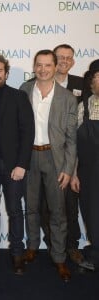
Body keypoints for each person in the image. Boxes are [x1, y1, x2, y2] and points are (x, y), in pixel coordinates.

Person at [20, 50, 77, 282]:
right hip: (29, 157)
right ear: (34, 67)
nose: (43, 69)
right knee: (31, 207)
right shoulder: (24, 90)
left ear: (55, 67)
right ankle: (32, 246)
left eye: (47, 65)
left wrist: (68, 168)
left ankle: (59, 257)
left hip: (56, 160)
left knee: (58, 212)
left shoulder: (68, 98)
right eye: (39, 65)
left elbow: (72, 139)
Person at [0, 55, 35, 275]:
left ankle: (17, 253)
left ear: (6, 73)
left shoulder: (19, 96)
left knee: (14, 211)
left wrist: (22, 164)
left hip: (13, 166)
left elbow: (27, 132)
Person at [40, 44, 84, 265]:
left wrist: (73, 169)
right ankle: (53, 246)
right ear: (54, 62)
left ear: (73, 62)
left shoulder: (81, 85)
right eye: (60, 58)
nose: (65, 61)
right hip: (44, 157)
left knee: (70, 205)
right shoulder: (35, 86)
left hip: (71, 157)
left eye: (69, 58)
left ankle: (72, 247)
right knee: (45, 207)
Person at [71, 59, 99, 272]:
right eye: (97, 77)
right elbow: (73, 143)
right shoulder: (83, 107)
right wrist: (74, 173)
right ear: (91, 82)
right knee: (91, 214)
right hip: (88, 173)